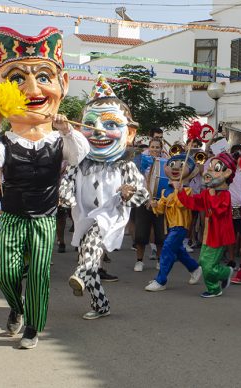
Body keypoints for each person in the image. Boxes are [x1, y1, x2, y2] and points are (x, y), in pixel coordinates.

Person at [0, 26, 90, 349]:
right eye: (16, 80)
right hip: (12, 217)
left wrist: (67, 131)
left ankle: (33, 328)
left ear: (61, 85)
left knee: (38, 275)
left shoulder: (60, 140)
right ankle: (15, 308)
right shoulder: (2, 140)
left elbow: (80, 155)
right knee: (10, 275)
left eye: (43, 77)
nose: (32, 88)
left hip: (43, 218)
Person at [60, 75, 148, 320]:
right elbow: (66, 183)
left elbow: (143, 195)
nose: (99, 130)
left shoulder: (125, 166)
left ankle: (81, 273)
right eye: (90, 124)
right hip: (84, 216)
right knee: (90, 259)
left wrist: (129, 193)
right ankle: (101, 304)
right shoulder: (79, 163)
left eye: (110, 124)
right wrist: (65, 196)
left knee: (92, 245)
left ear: (129, 133)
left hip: (110, 215)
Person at [177, 152, 237, 298]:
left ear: (227, 173)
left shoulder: (225, 195)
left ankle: (215, 287)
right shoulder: (208, 192)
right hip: (208, 234)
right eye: (209, 167)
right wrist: (181, 191)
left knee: (208, 265)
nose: (209, 171)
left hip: (218, 234)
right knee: (204, 262)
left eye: (215, 168)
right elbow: (194, 203)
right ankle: (224, 273)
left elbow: (218, 210)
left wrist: (210, 195)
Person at [145, 153, 202, 291]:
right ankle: (194, 268)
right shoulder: (165, 191)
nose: (175, 168)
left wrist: (178, 189)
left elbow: (182, 204)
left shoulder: (188, 190)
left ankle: (161, 280)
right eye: (172, 164)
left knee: (167, 249)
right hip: (170, 226)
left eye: (181, 165)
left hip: (180, 225)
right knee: (178, 251)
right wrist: (154, 205)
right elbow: (161, 210)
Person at [134, 138, 168, 271]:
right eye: (152, 147)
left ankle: (159, 260)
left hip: (159, 202)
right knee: (141, 234)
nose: (155, 149)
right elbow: (137, 181)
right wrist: (147, 200)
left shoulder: (165, 163)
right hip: (144, 202)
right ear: (149, 148)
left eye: (157, 147)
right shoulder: (142, 161)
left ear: (161, 149)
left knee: (160, 234)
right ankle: (139, 261)